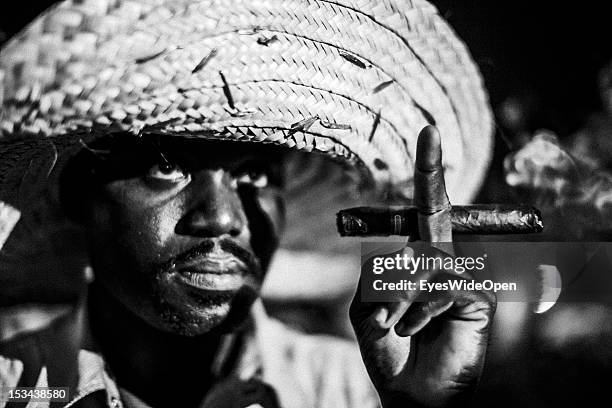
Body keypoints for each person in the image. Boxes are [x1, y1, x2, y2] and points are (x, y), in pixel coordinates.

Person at [0, 1, 495, 407]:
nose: (222, 217)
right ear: (77, 195)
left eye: (254, 174)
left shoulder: (351, 391)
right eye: (166, 167)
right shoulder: (19, 390)